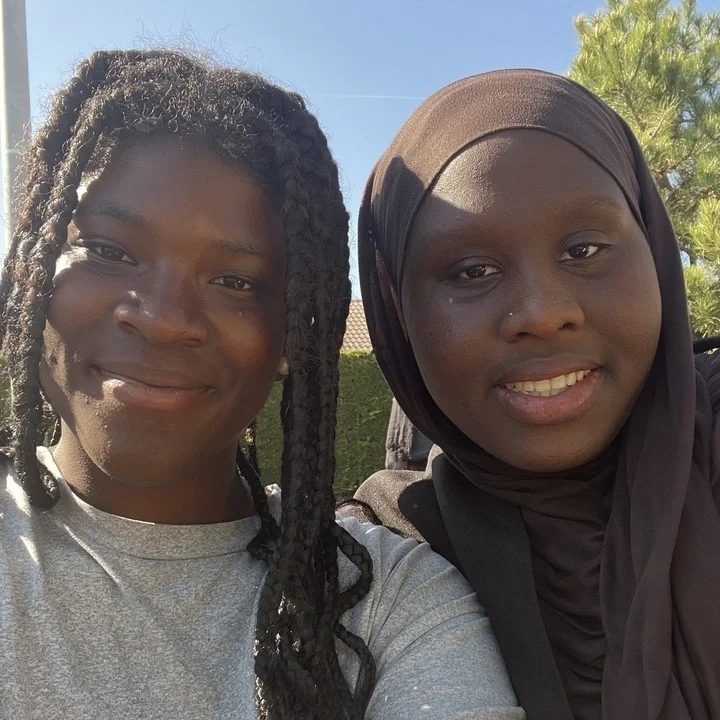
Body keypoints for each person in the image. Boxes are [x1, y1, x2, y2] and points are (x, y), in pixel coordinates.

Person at [0, 51, 524, 720]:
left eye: (236, 282)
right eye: (108, 250)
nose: (162, 319)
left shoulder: (389, 602)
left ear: (291, 341)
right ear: (33, 269)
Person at [347, 69, 720, 720]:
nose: (544, 314)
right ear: (399, 316)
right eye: (472, 270)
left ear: (654, 252)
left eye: (584, 249)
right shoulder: (374, 562)